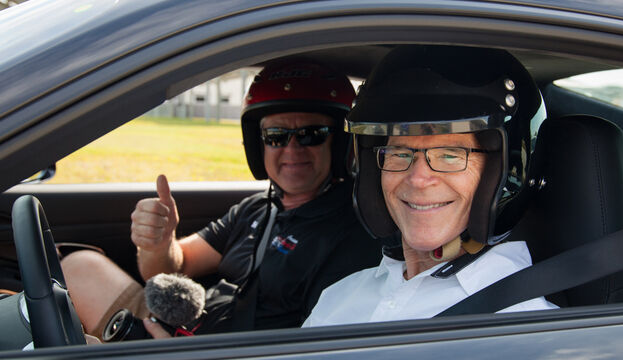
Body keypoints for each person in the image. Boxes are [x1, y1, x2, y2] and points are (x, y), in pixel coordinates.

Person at [61, 60, 382, 338]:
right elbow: (174, 266)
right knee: (79, 265)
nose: (292, 149)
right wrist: (159, 243)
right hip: (183, 328)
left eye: (311, 134)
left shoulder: (351, 232)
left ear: (339, 144)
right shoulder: (256, 210)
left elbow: (319, 345)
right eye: (275, 137)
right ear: (259, 147)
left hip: (214, 351)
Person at [303, 45, 557, 327]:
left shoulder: (524, 327)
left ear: (502, 173)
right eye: (399, 153)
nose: (418, 179)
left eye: (450, 155)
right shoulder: (339, 297)